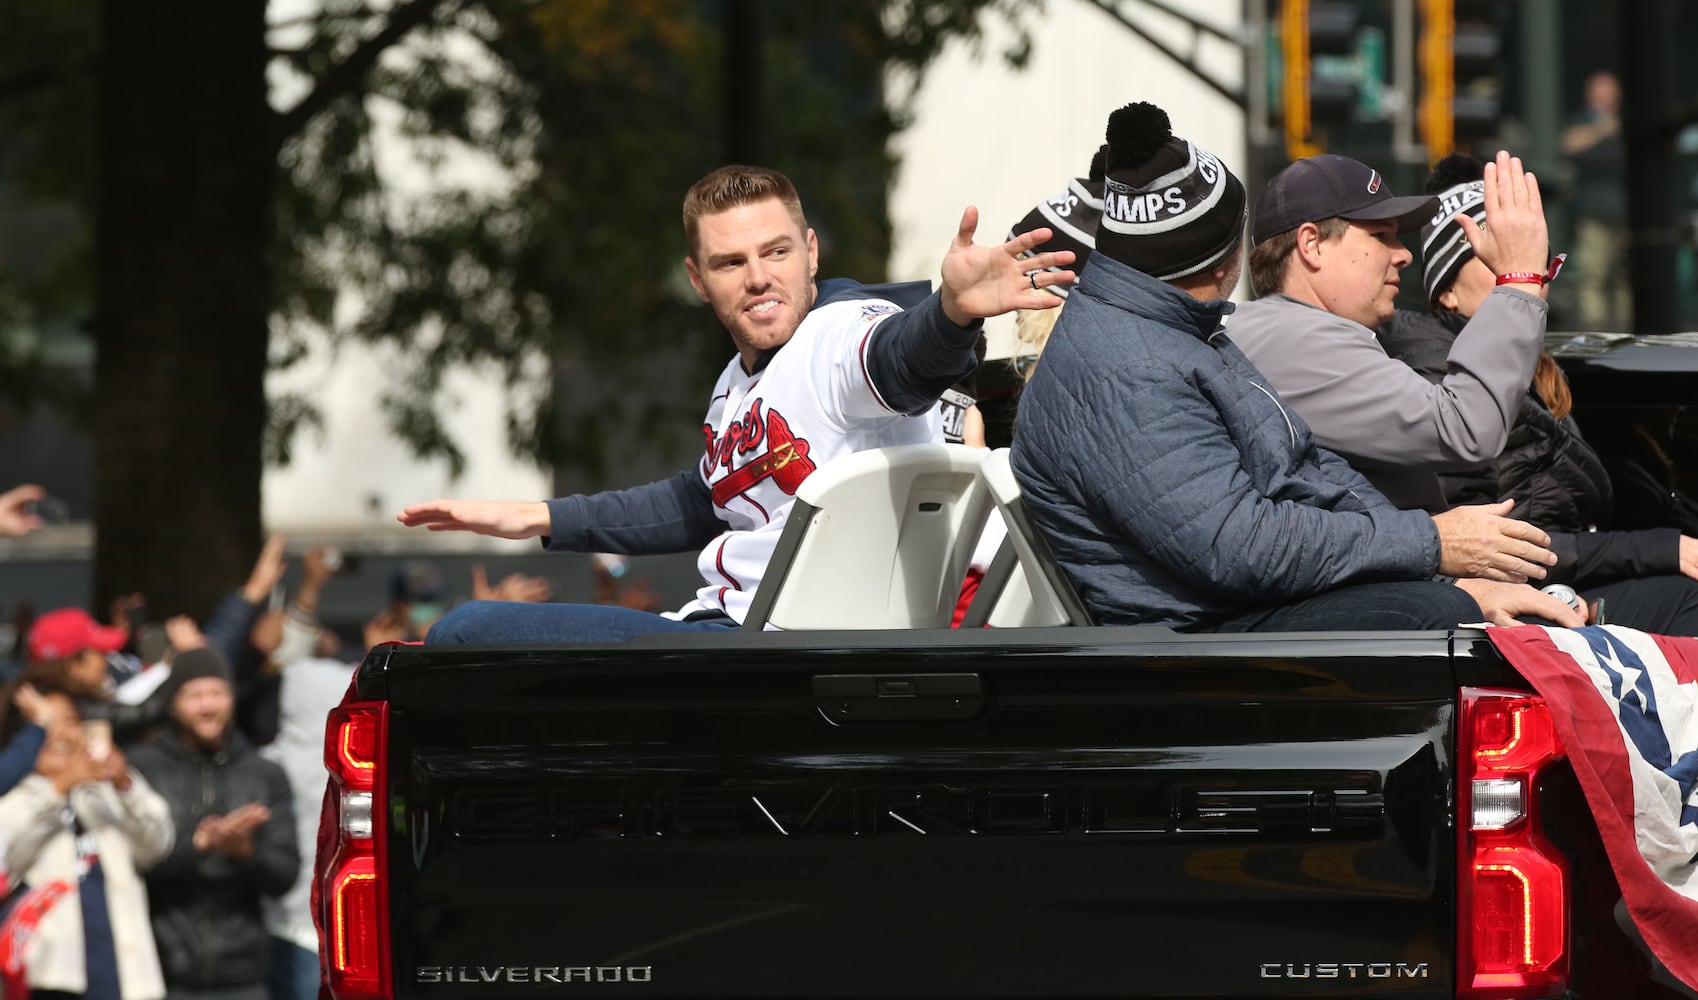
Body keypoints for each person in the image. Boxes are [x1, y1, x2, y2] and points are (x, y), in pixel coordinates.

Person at [403, 164, 1075, 642]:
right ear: (698, 278)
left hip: (758, 645)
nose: (758, 278)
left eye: (776, 252)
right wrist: (535, 517)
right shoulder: (738, 381)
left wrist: (952, 313)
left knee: (465, 632)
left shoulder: (838, 334)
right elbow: (698, 501)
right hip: (733, 636)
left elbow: (900, 361)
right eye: (730, 263)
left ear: (810, 252)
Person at [1011, 101, 1579, 632]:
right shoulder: (1128, 365)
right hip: (1203, 648)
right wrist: (1432, 547)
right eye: (1379, 236)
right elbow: (1236, 547)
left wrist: (1441, 565)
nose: (1400, 253)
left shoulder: (1178, 332)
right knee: (1465, 624)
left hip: (1244, 614)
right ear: (1222, 255)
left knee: (1489, 611)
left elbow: (1307, 470)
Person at [1376, 154, 1698, 630]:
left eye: (1533, 256)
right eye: (1497, 259)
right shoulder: (1435, 373)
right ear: (1445, 292)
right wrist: (1665, 547)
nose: (1529, 271)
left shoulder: (1534, 369)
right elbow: (1507, 544)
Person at [1228, 150, 1552, 514]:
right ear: (1312, 245)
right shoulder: (1292, 337)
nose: (1404, 255)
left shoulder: (1290, 329)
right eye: (1382, 235)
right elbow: (1464, 427)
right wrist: (1519, 279)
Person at [128, 649, 299, 1000]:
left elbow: (285, 875)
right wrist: (198, 846)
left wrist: (245, 852)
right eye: (195, 695)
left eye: (217, 693)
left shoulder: (264, 773)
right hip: (159, 974)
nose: (208, 706)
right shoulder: (140, 770)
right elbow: (129, 864)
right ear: (173, 704)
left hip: (244, 976)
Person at [0, 665, 173, 1000]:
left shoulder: (106, 790)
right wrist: (58, 787)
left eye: (70, 720)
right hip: (48, 981)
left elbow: (157, 845)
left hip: (125, 977)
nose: (63, 734)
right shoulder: (15, 798)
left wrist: (125, 784)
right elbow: (7, 857)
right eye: (48, 723)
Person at [1560, 69, 1630, 329]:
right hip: (1593, 212)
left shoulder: (1627, 122)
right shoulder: (1583, 123)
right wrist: (1603, 128)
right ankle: (1595, 328)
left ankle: (1628, 328)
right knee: (1593, 275)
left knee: (1625, 277)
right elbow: (1568, 144)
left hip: (1625, 211)